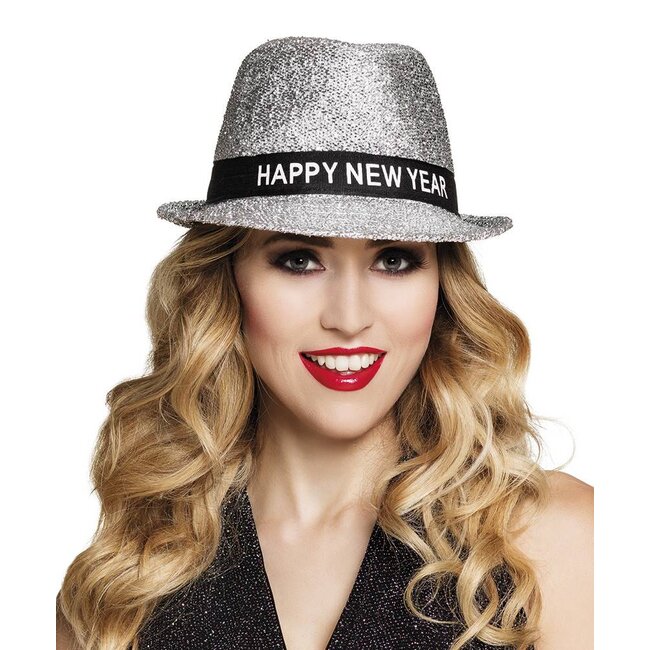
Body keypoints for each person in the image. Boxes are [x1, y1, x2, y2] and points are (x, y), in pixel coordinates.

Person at [56, 36, 593, 650]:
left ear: (443, 286)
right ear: (226, 280)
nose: (349, 317)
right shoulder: (124, 581)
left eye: (393, 260)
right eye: (299, 259)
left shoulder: (556, 543)